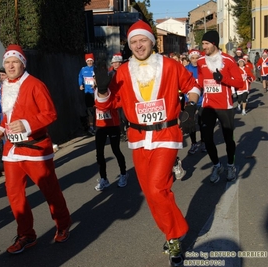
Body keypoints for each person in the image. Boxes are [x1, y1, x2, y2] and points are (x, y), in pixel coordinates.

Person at [95, 20, 201, 267]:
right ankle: (172, 231)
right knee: (153, 193)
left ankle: (175, 236)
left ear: (152, 42)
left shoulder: (171, 66)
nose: (138, 45)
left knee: (156, 187)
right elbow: (106, 104)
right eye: (133, 42)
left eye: (142, 40)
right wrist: (101, 90)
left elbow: (192, 86)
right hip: (138, 138)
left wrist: (192, 106)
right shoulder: (121, 72)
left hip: (166, 134)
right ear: (129, 46)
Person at [0, 44, 72, 254]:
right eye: (7, 62)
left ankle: (63, 223)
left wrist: (27, 124)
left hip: (35, 149)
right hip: (12, 150)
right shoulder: (5, 86)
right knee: (14, 194)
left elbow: (50, 113)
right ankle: (26, 234)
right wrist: (1, 129)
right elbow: (9, 115)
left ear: (22, 64)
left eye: (14, 62)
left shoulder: (35, 84)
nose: (10, 66)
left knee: (50, 190)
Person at [197, 30, 243, 184]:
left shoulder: (228, 60)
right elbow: (200, 83)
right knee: (207, 138)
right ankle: (217, 165)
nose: (204, 47)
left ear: (214, 43)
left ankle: (231, 165)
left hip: (225, 106)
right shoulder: (201, 61)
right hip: (208, 105)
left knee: (228, 138)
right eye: (203, 44)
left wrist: (223, 79)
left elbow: (239, 82)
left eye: (206, 44)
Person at [93, 63, 128, 191]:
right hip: (100, 125)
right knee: (99, 154)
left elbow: (117, 103)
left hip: (113, 124)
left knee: (116, 150)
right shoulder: (96, 90)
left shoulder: (112, 90)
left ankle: (124, 174)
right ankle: (104, 179)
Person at [185, 49, 206, 154]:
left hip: (202, 100)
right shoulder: (185, 69)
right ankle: (194, 144)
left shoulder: (203, 69)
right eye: (193, 58)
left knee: (202, 123)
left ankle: (203, 142)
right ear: (189, 59)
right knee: (191, 123)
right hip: (189, 100)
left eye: (197, 58)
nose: (195, 60)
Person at [109, 53, 128, 141]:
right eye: (114, 63)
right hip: (116, 99)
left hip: (125, 98)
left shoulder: (125, 71)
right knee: (119, 117)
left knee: (125, 116)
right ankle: (122, 132)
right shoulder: (110, 74)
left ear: (121, 63)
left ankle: (127, 128)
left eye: (117, 62)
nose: (115, 64)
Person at [78, 53, 96, 135]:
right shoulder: (83, 69)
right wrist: (80, 84)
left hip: (95, 92)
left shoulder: (95, 68)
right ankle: (91, 127)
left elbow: (99, 77)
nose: (89, 62)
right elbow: (80, 77)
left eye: (91, 61)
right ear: (86, 61)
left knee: (96, 109)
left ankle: (98, 125)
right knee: (89, 110)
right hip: (87, 92)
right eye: (88, 61)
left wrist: (96, 83)